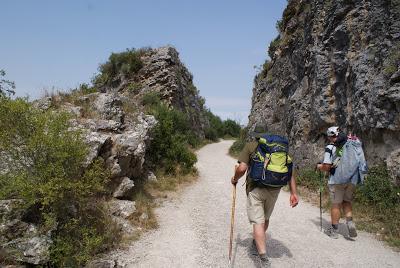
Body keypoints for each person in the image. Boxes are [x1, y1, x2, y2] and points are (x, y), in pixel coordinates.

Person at [231, 124, 299, 268]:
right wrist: (293, 193)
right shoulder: (278, 147)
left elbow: (242, 168)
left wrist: (235, 179)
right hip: (275, 188)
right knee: (265, 218)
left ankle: (263, 256)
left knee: (257, 221)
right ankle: (257, 242)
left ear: (254, 134)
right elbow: (290, 171)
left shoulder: (250, 146)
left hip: (256, 188)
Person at [317, 126, 358, 239]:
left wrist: (319, 166)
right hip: (351, 178)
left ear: (330, 136)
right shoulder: (351, 144)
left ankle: (334, 231)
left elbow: (326, 166)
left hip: (337, 180)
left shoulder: (331, 147)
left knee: (336, 203)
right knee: (346, 201)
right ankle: (350, 223)